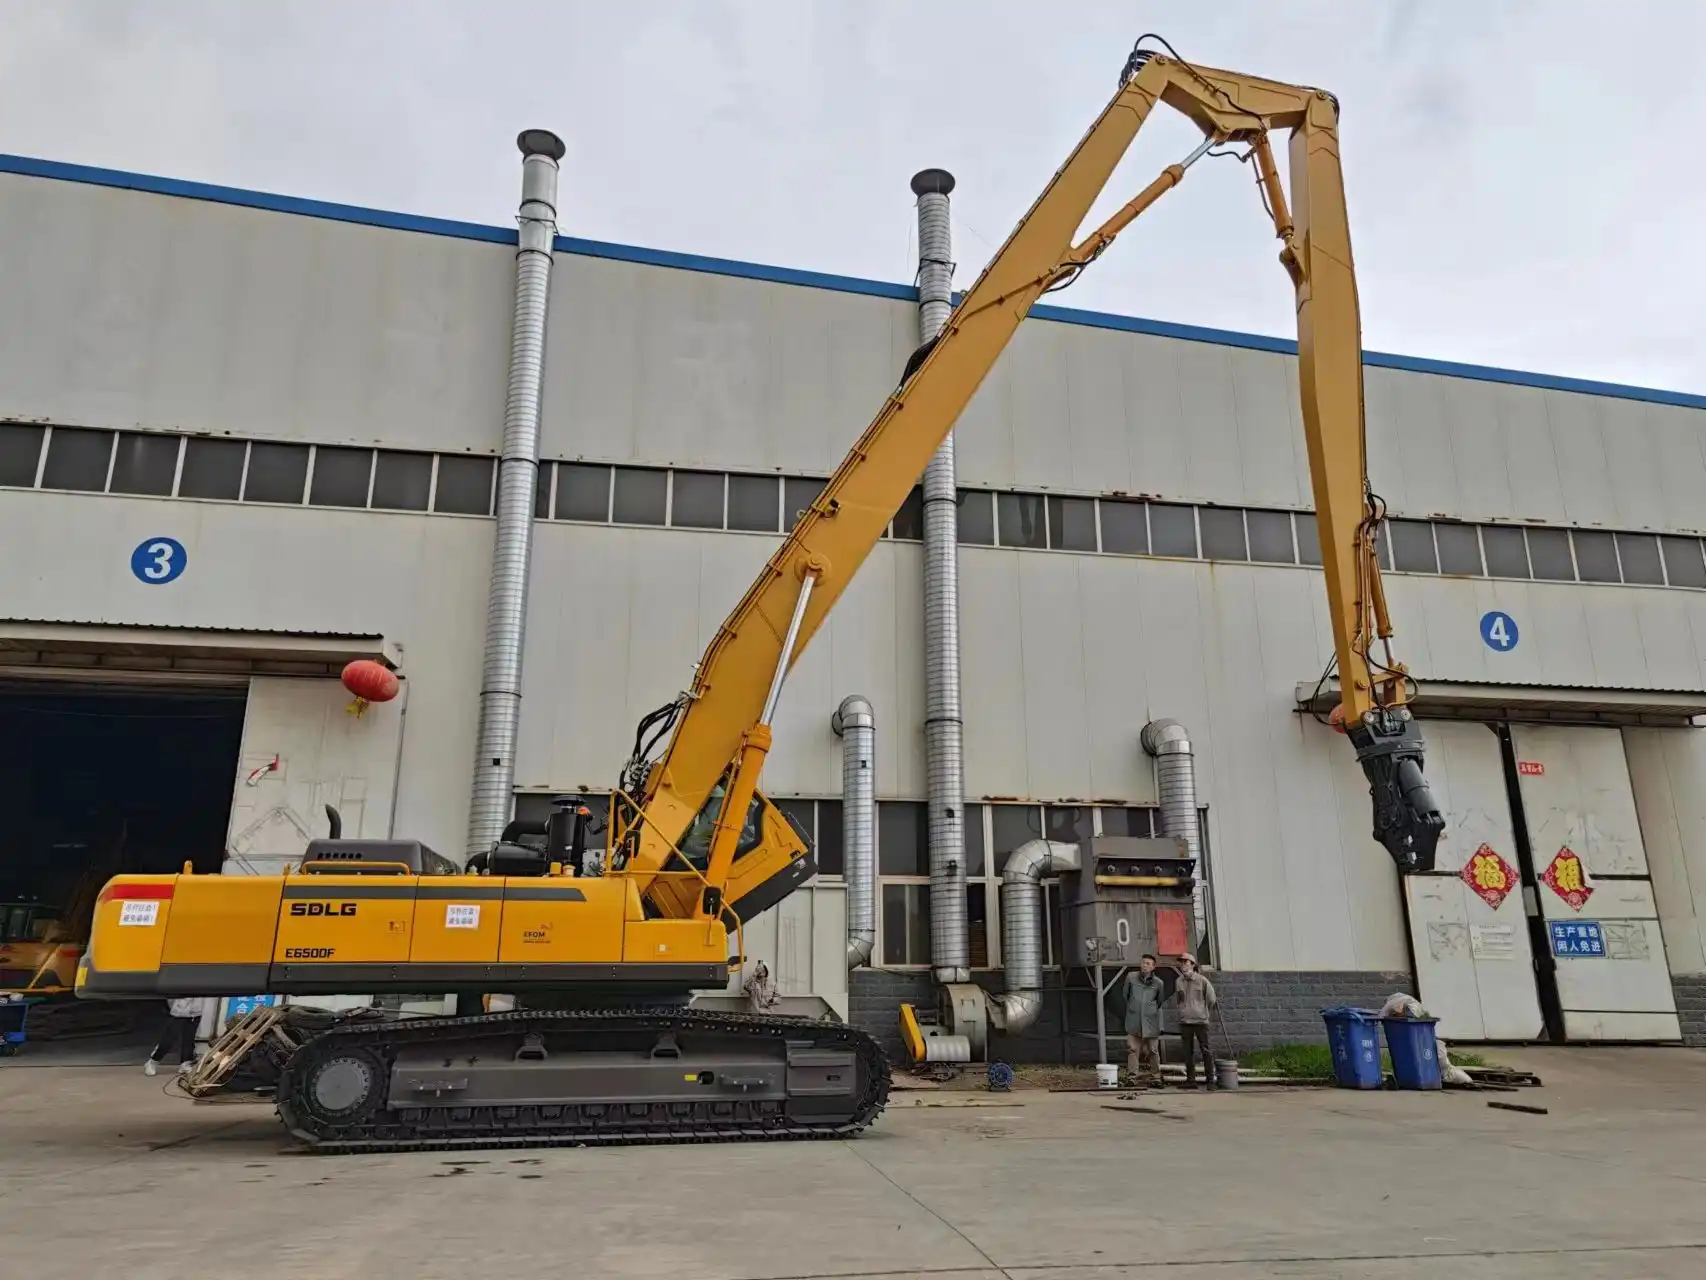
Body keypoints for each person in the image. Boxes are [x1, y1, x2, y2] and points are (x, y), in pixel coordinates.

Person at [1170, 953, 1218, 1089]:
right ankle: (1191, 1081)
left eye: (1186, 962)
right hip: (1185, 1021)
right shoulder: (1178, 981)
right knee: (1187, 1052)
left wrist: (1202, 1011)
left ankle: (1210, 1081)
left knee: (1206, 1051)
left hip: (1201, 1022)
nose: (1183, 965)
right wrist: (1182, 1011)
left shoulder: (1202, 980)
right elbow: (1179, 999)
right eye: (1181, 963)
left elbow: (1211, 999)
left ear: (1192, 965)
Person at [1121, 953, 1165, 1085]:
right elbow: (1125, 995)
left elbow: (1160, 1001)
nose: (1145, 966)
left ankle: (1156, 1078)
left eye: (1148, 964)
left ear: (1153, 967)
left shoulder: (1158, 983)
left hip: (1151, 1022)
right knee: (1132, 1049)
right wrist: (1134, 1007)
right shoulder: (1131, 977)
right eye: (1143, 962)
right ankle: (1131, 1078)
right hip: (1134, 1020)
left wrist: (1149, 1010)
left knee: (1153, 1050)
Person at [143, 996, 207, 1077]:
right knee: (169, 1039)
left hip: (196, 1012)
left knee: (188, 1040)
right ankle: (153, 1061)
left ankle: (185, 1064)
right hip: (179, 1011)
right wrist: (176, 1006)